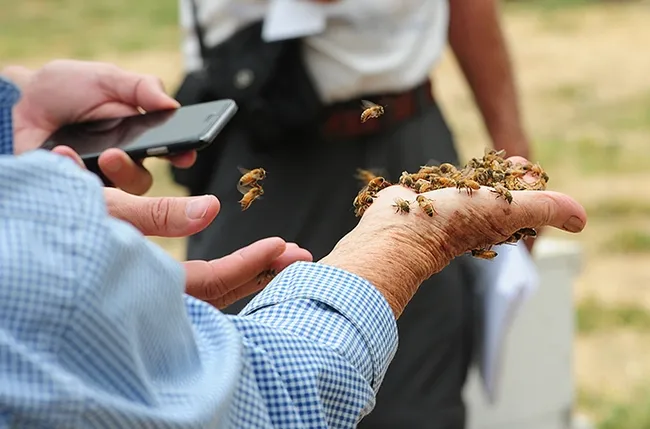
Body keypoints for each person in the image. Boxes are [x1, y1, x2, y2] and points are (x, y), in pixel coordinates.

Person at [0, 60, 586, 428]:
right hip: (266, 125)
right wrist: (402, 247)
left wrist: (11, 107)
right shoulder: (38, 291)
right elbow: (258, 398)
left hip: (404, 126)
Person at [172, 1, 531, 427]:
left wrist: (511, 136)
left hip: (408, 132)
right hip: (270, 145)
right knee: (252, 389)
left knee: (420, 399)